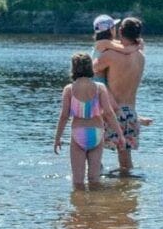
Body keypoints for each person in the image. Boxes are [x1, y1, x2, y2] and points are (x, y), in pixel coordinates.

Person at [53, 53, 124, 187]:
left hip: (78, 134)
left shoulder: (69, 89)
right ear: (90, 68)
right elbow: (108, 113)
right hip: (97, 133)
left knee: (78, 181)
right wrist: (120, 134)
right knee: (94, 179)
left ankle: (80, 207)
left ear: (73, 68)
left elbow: (64, 116)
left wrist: (57, 138)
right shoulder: (99, 88)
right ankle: (94, 205)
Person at [94, 16, 147, 175]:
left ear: (120, 32)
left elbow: (90, 69)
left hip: (112, 112)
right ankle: (127, 188)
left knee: (95, 150)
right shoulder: (141, 57)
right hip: (131, 113)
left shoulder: (110, 55)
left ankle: (95, 185)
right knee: (125, 158)